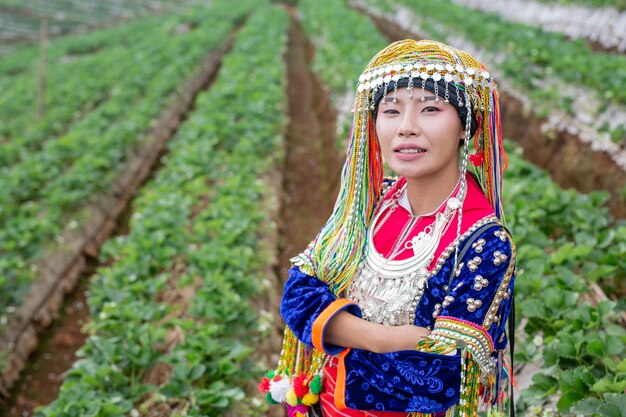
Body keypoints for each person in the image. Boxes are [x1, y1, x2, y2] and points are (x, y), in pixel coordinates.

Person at [259, 39, 516, 417]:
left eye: (430, 109)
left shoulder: (484, 242)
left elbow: (442, 374)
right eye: (391, 110)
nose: (406, 128)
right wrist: (383, 338)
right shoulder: (370, 203)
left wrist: (334, 328)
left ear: (466, 127)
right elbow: (298, 292)